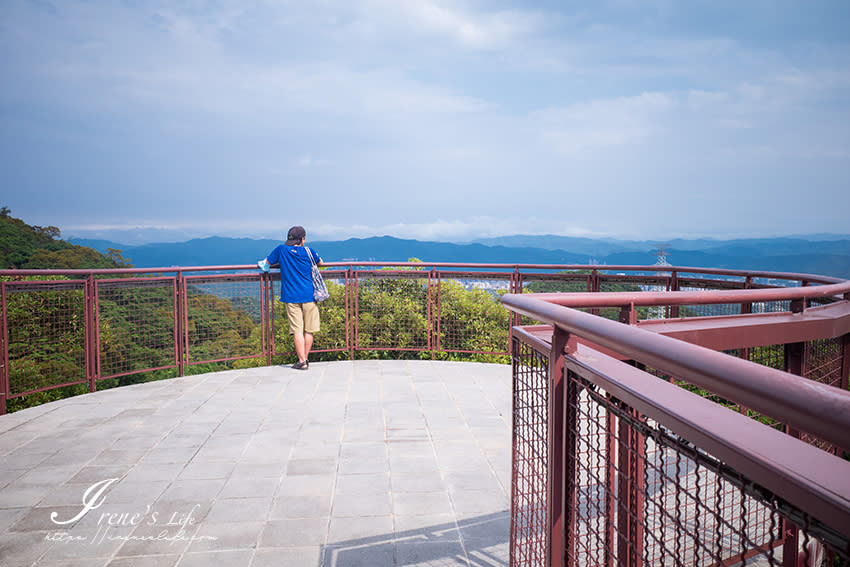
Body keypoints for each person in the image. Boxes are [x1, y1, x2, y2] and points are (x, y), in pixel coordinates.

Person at [258, 226, 323, 370]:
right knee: (309, 330)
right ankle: (305, 359)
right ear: (303, 239)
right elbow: (321, 263)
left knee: (297, 330)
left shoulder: (281, 250)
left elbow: (265, 265)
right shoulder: (309, 251)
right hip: (309, 295)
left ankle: (302, 361)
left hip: (290, 296)